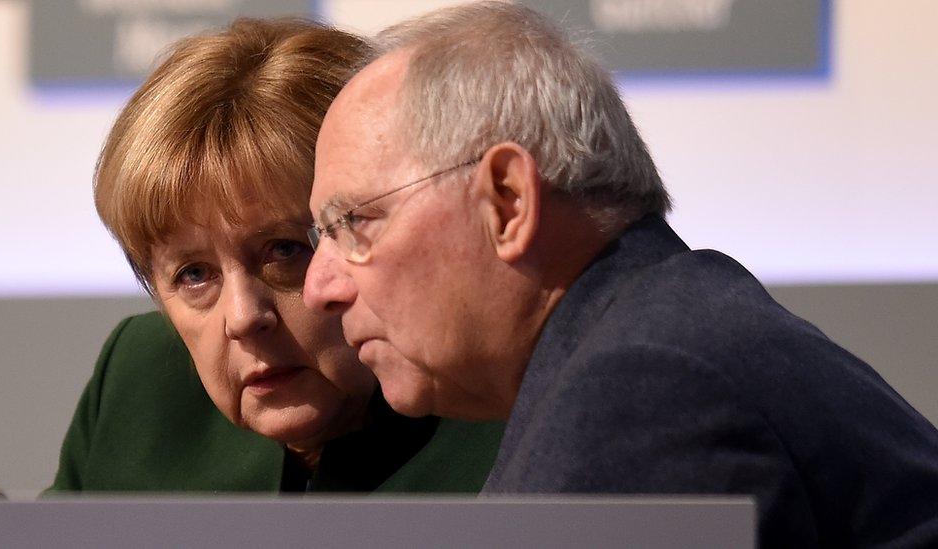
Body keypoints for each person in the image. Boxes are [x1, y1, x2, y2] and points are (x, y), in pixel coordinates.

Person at [302, 1, 938, 544]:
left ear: (508, 201)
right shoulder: (661, 327)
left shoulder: (641, 388)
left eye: (356, 222)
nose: (318, 287)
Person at [49, 17, 503, 493]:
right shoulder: (137, 381)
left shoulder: (500, 406)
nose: (244, 318)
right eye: (193, 275)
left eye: (284, 251)